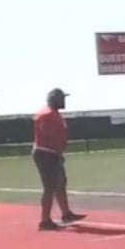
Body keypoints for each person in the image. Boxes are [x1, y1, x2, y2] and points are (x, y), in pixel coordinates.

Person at [32, 88, 86, 230]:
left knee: (60, 183)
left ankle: (66, 213)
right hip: (46, 153)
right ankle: (45, 221)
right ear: (54, 100)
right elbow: (49, 135)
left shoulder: (53, 114)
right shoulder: (47, 114)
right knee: (49, 186)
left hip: (52, 153)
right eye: (61, 98)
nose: (63, 101)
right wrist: (58, 152)